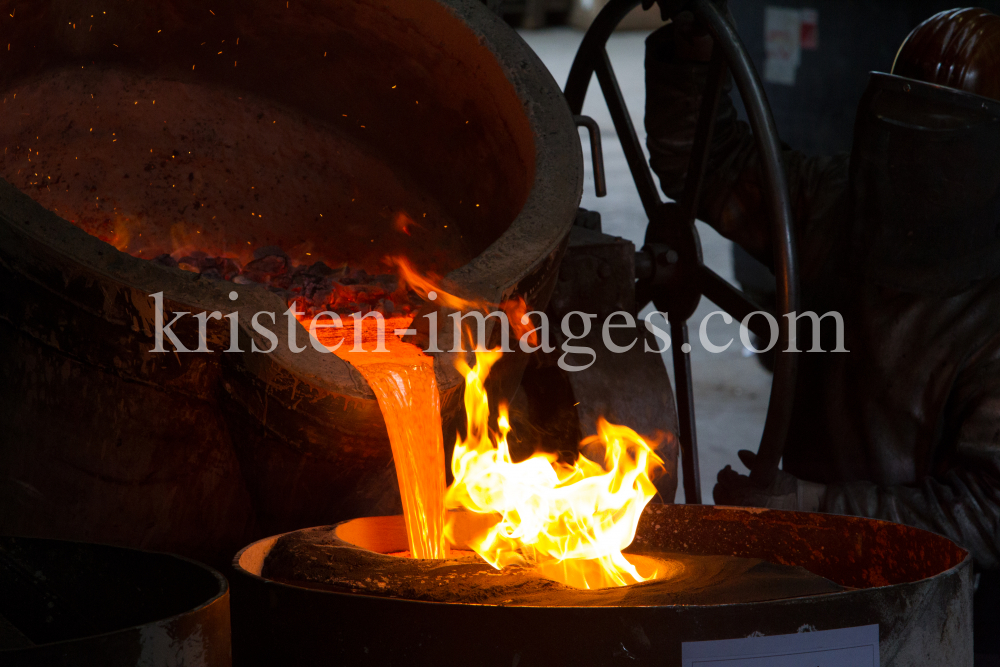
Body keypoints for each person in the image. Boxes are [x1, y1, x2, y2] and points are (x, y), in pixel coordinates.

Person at [644, 6, 1000, 658]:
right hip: (802, 565)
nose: (919, 170)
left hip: (938, 604)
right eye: (910, 135)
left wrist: (810, 502)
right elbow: (703, 159)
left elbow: (987, 515)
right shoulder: (835, 205)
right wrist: (695, 45)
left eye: (944, 150)